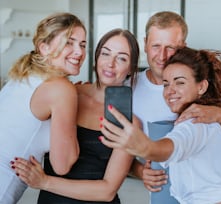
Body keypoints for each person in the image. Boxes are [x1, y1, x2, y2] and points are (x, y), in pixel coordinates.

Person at [129, 11, 221, 203]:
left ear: (182, 47)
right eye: (156, 46)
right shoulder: (128, 89)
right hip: (168, 193)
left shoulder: (200, 87)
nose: (162, 56)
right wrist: (139, 171)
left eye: (170, 47)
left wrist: (219, 114)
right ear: (145, 44)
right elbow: (111, 153)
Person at [100, 46, 221, 204]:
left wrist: (145, 147)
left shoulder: (196, 122)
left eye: (180, 83)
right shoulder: (214, 116)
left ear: (202, 87)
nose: (169, 91)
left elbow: (173, 145)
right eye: (166, 84)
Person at [11, 28, 141, 204]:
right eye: (105, 54)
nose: (110, 64)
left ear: (131, 68)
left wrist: (45, 182)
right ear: (96, 58)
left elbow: (107, 191)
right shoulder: (65, 94)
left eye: (122, 58)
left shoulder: (129, 122)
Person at [0, 12, 86, 204]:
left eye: (82, 44)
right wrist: (79, 105)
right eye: (69, 42)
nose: (79, 52)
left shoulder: (23, 74)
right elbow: (62, 165)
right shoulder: (61, 88)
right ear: (44, 47)